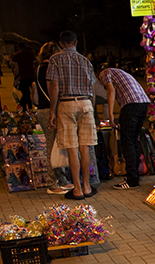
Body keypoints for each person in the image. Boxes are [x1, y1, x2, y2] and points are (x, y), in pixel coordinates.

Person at [47, 30, 97, 200]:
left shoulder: (55, 59)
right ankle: (87, 186)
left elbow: (54, 86)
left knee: (72, 148)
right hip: (86, 103)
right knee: (86, 147)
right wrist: (92, 108)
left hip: (66, 103)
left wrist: (52, 111)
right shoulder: (85, 61)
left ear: (61, 43)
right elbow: (92, 89)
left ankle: (76, 189)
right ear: (76, 43)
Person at [98, 66, 151, 190]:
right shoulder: (121, 73)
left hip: (130, 105)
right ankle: (136, 175)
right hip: (143, 102)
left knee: (127, 142)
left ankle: (132, 180)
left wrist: (111, 115)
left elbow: (111, 90)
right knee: (134, 140)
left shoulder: (105, 73)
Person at [34, 41, 72, 195]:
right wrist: (54, 112)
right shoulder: (49, 68)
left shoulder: (39, 68)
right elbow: (52, 90)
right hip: (49, 110)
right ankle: (52, 182)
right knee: (52, 146)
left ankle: (61, 179)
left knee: (57, 145)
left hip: (43, 109)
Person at [11, 43, 37, 110]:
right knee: (30, 93)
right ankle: (29, 106)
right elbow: (35, 63)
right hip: (31, 76)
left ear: (18, 48)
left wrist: (15, 73)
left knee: (25, 93)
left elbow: (12, 65)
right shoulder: (30, 54)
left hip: (22, 76)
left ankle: (23, 106)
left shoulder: (16, 55)